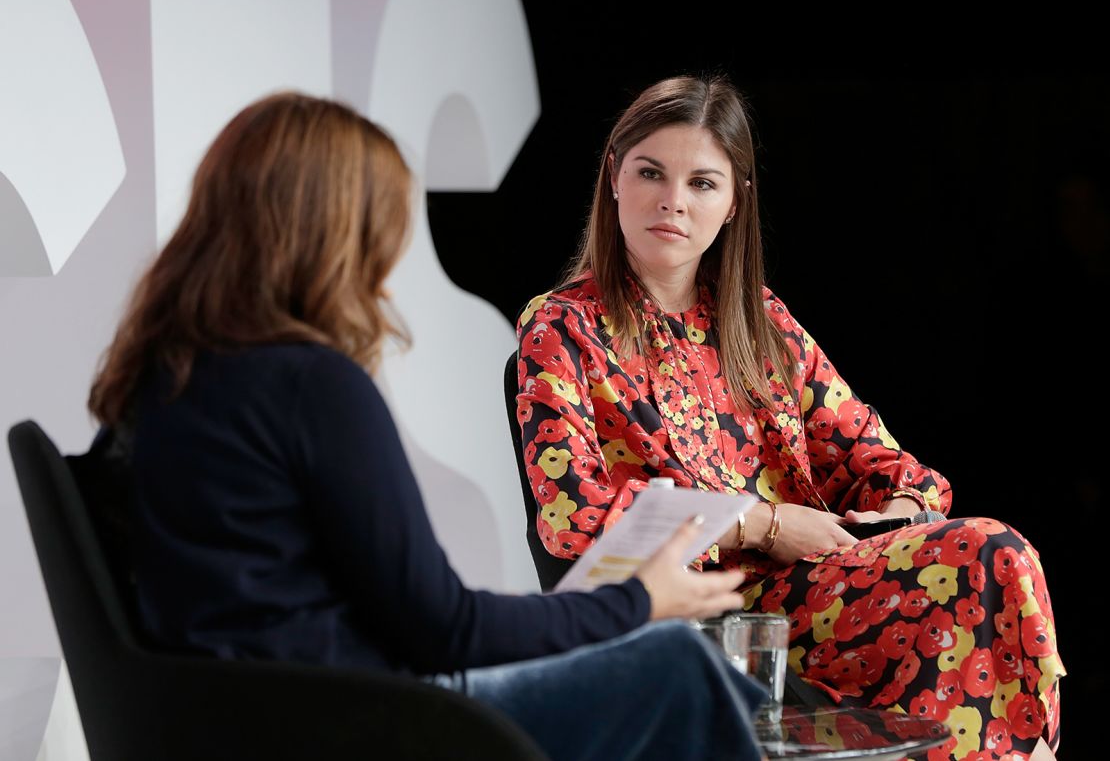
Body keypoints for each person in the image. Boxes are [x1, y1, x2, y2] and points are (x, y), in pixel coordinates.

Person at [85, 92, 768, 761]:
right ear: (335, 235)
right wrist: (638, 600)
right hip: (354, 722)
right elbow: (445, 628)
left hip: (249, 718)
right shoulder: (310, 385)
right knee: (674, 661)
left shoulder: (164, 376)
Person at [514, 75, 1064, 760]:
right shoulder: (563, 327)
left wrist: (893, 513)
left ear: (734, 201)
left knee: (992, 560)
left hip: (810, 598)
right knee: (987, 559)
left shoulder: (759, 322)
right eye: (651, 173)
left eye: (703, 184)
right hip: (693, 614)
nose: (673, 202)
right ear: (613, 178)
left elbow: (898, 468)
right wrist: (763, 523)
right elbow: (573, 520)